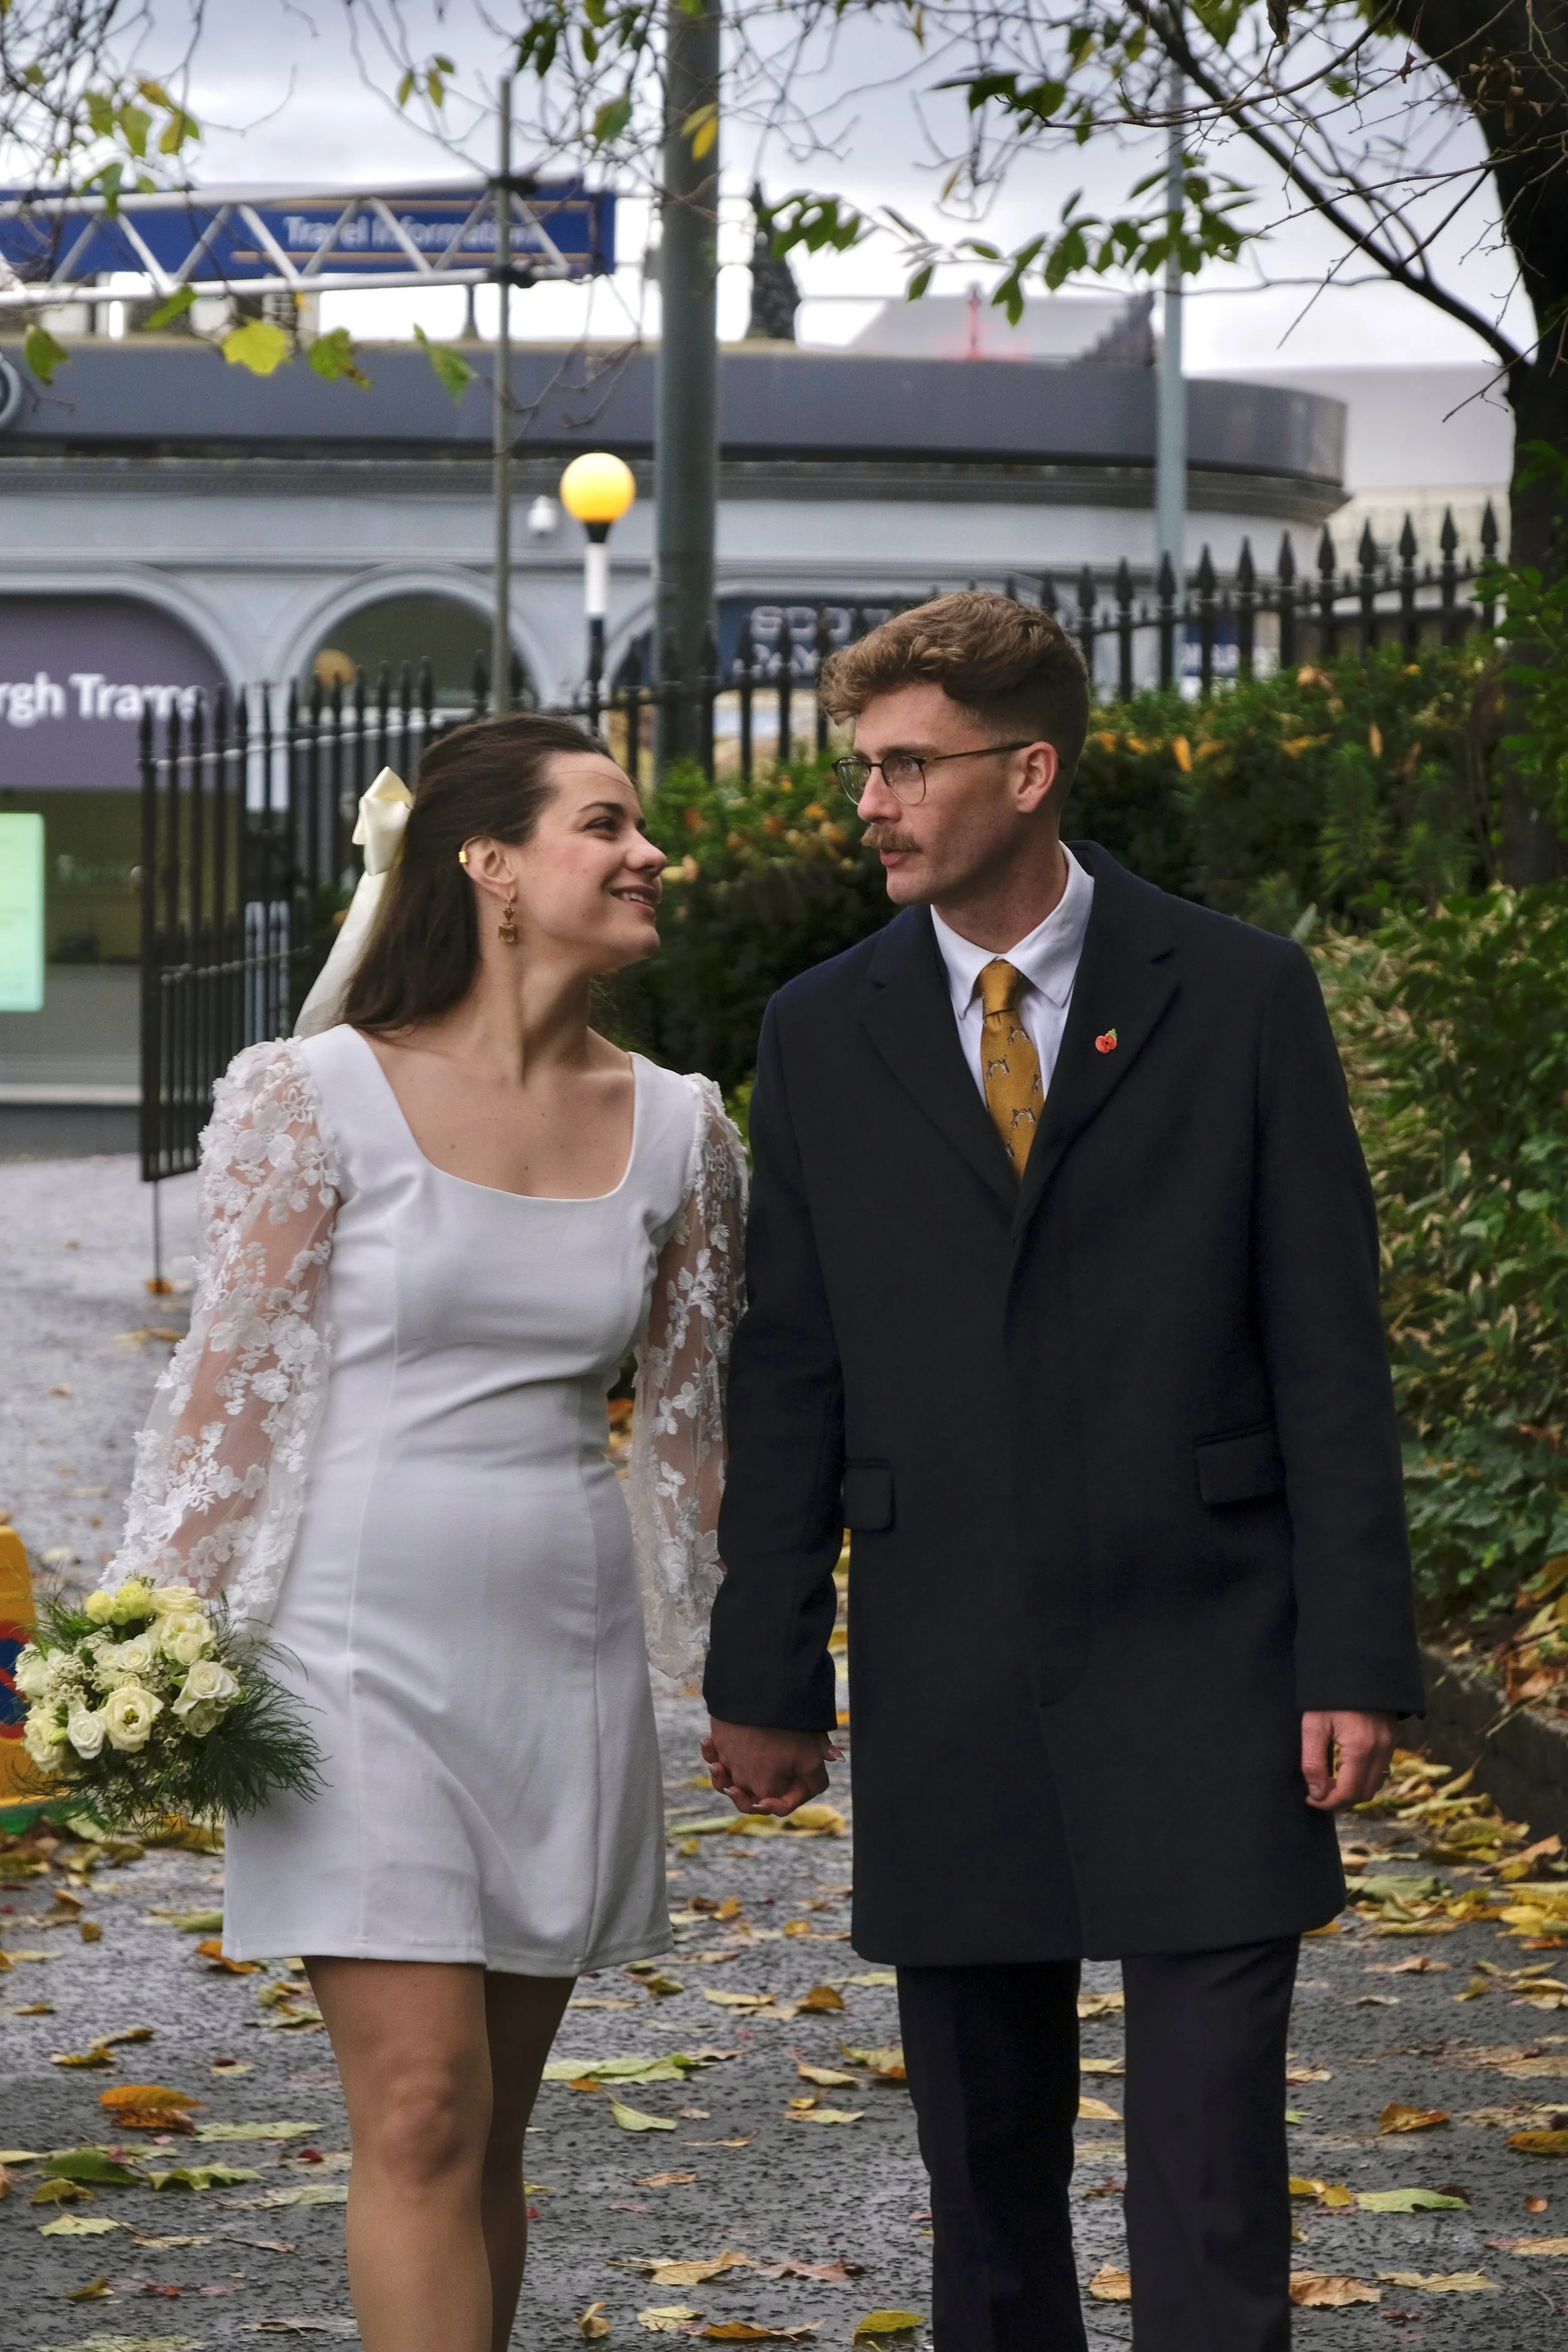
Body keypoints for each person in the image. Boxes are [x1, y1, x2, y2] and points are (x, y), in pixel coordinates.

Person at [701, 593, 1422, 2352]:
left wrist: (1352, 1658)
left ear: (1027, 771)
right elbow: (788, 1368)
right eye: (858, 766)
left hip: (1214, 1655)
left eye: (903, 765)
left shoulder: (1240, 991)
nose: (867, 801)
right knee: (988, 2177)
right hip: (950, 1663)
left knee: (1208, 2172)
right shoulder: (820, 1026)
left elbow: (1327, 1346)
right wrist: (767, 1668)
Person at [107, 712, 746, 2352]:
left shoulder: (683, 1125)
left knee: (488, 2138)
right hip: (346, 1644)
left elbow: (689, 1435)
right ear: (491, 867)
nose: (645, 850)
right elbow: (226, 1395)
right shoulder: (310, 1095)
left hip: (562, 1651)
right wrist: (143, 1644)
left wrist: (738, 1669)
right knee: (417, 2108)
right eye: (605, 822)